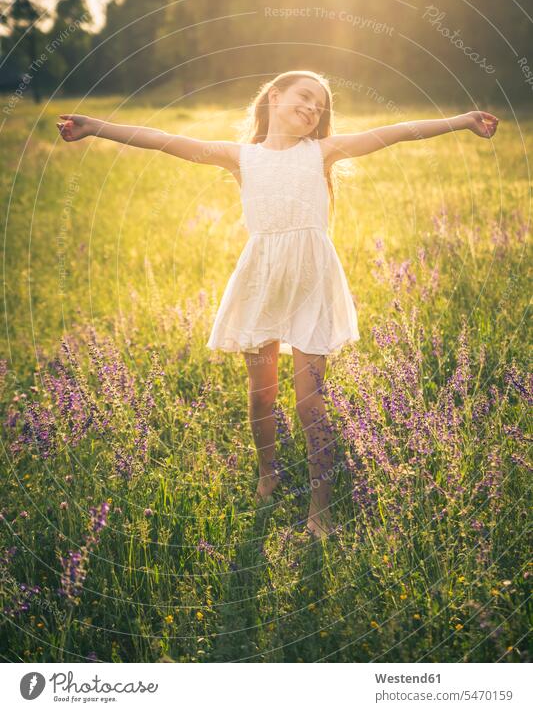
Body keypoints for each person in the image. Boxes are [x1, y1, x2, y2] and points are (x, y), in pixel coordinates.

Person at [56, 69, 499, 538]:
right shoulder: (240, 157)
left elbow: (392, 134)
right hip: (261, 282)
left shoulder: (322, 152)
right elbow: (163, 139)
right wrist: (95, 125)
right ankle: (267, 472)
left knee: (310, 403)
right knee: (262, 390)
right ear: (275, 96)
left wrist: (461, 120)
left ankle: (320, 508)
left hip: (312, 282)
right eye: (305, 97)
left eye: (320, 106)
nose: (312, 109)